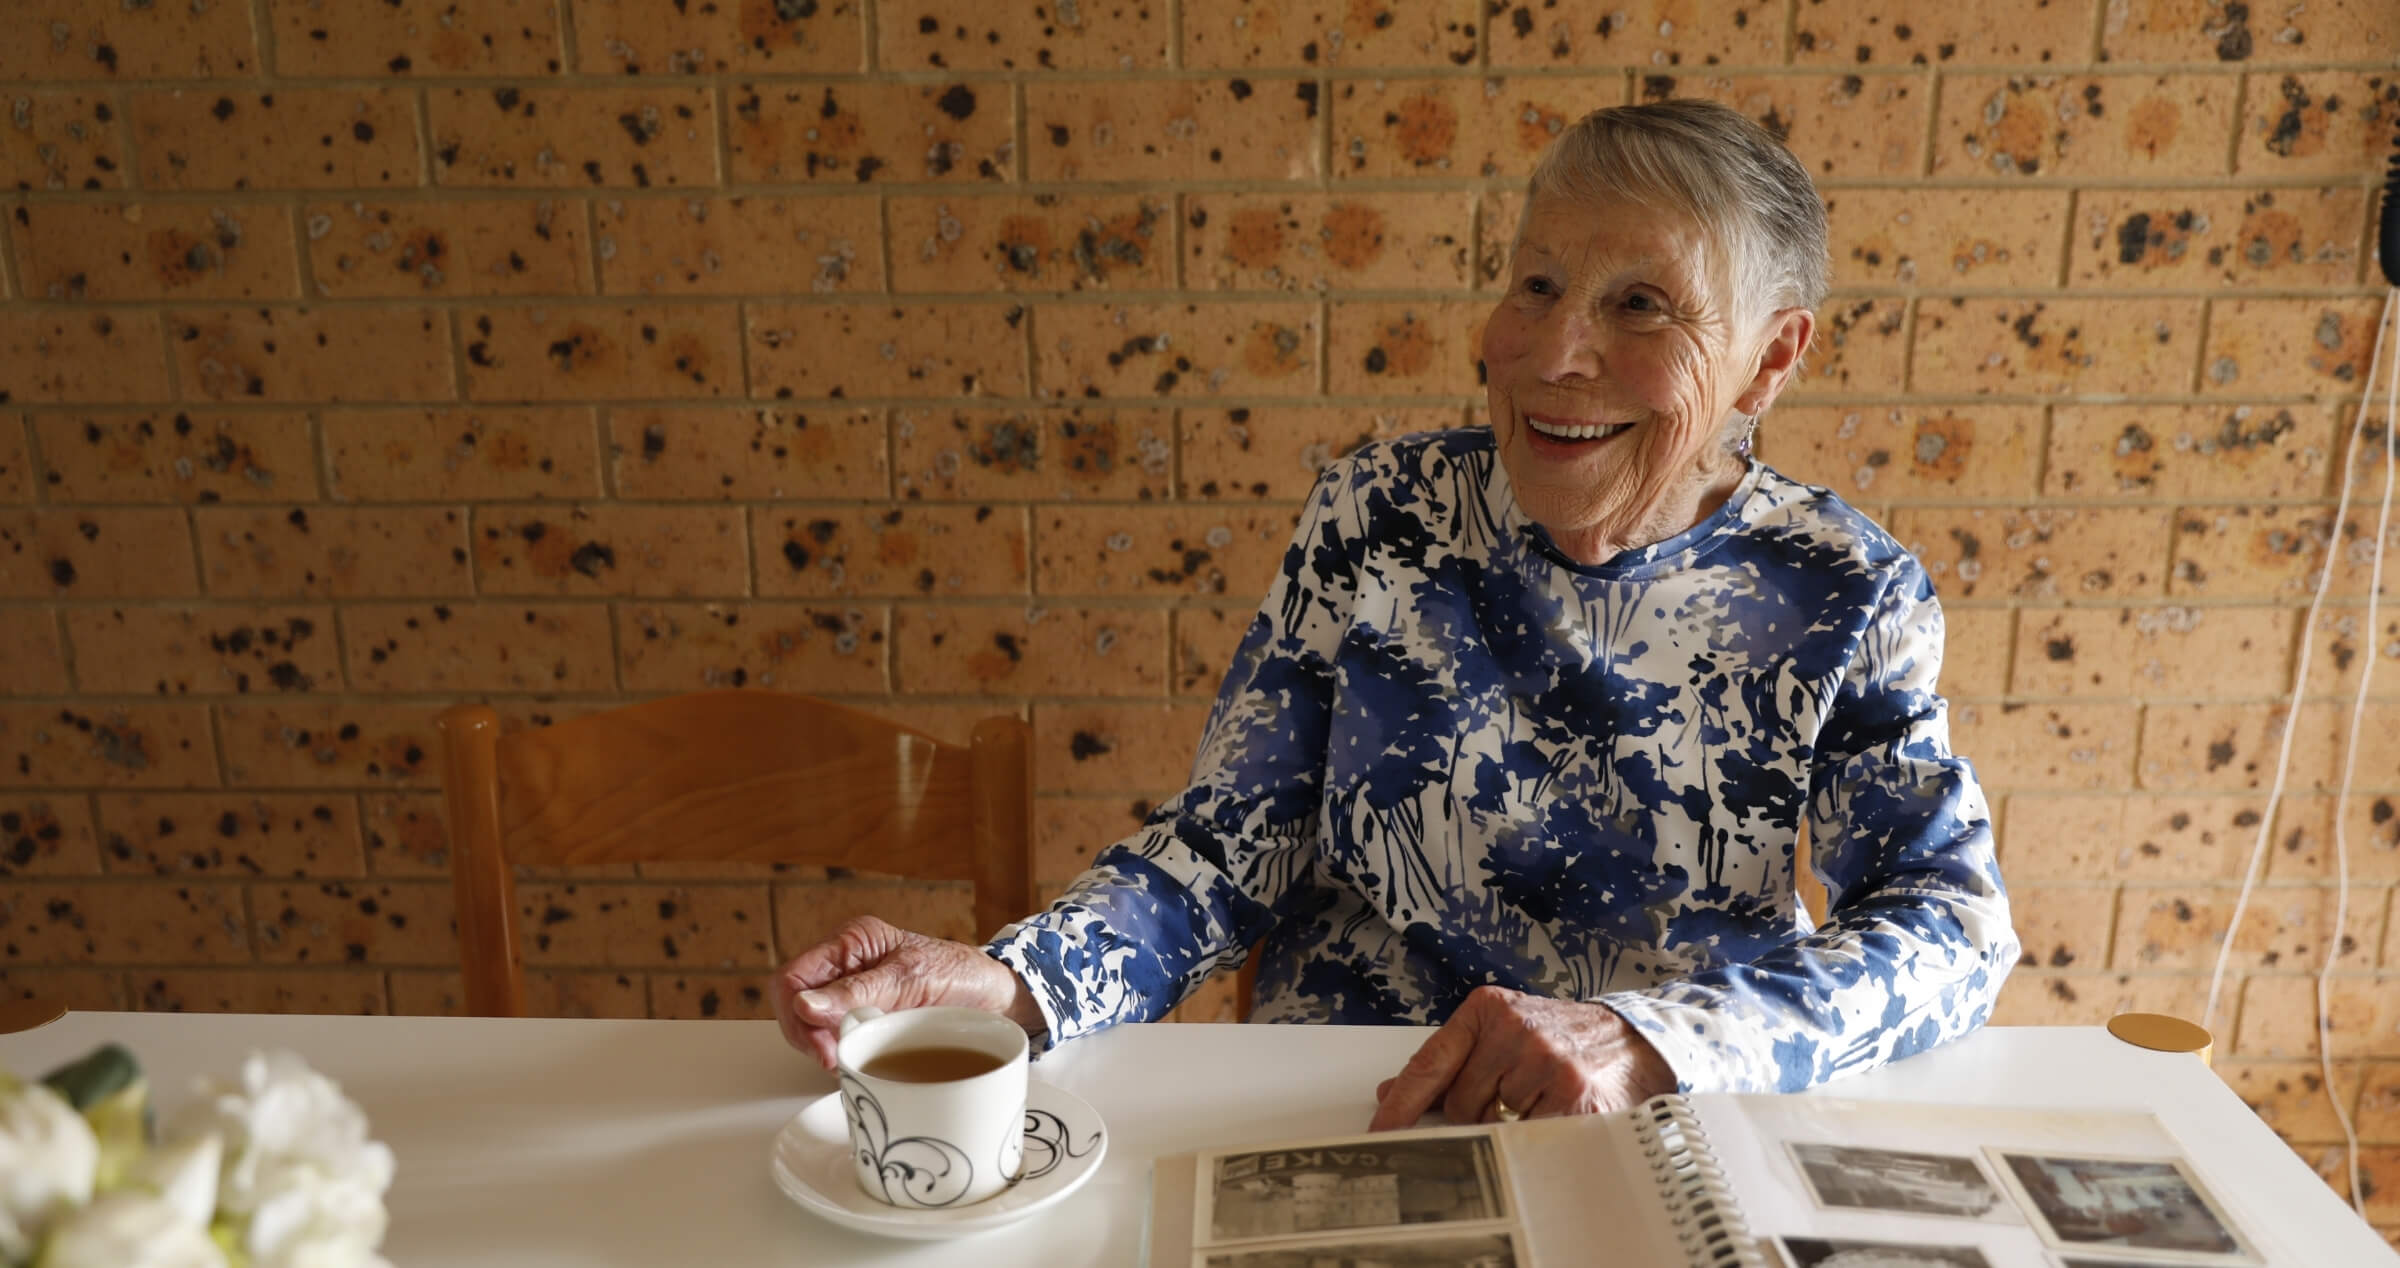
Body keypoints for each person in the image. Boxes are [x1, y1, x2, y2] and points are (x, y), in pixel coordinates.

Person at [775, 98, 2019, 1129]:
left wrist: (1647, 1039)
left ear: (1769, 359)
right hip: (1346, 1103)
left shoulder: (1844, 586)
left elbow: (1950, 923)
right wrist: (1013, 978)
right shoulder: (1381, 513)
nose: (1554, 351)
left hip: (1655, 1119)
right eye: (1537, 282)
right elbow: (1224, 845)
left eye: (1642, 304)